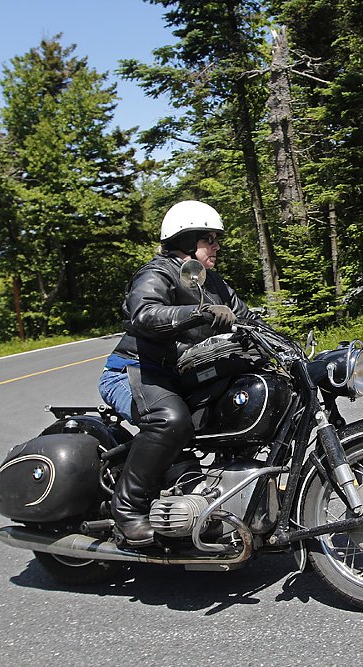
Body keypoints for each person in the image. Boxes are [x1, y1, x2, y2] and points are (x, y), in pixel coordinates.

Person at [98, 200, 255, 547]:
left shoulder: (214, 282)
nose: (216, 245)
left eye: (216, 239)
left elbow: (246, 318)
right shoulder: (157, 273)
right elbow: (145, 314)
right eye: (209, 238)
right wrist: (199, 313)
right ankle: (126, 510)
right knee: (169, 420)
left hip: (180, 375)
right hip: (133, 371)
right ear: (186, 241)